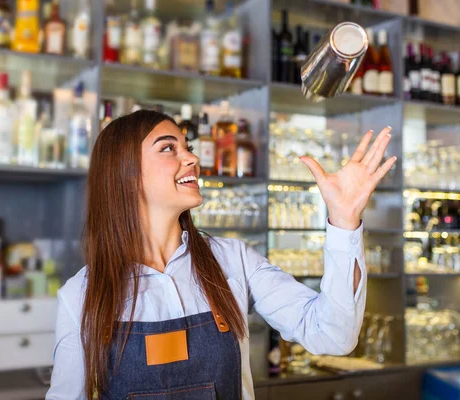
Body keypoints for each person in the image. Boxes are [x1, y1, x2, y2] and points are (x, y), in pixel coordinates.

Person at [45, 110, 396, 400]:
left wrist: (345, 221)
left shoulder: (233, 260)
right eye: (169, 149)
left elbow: (332, 334)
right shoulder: (82, 295)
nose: (193, 158)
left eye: (187, 147)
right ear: (125, 174)